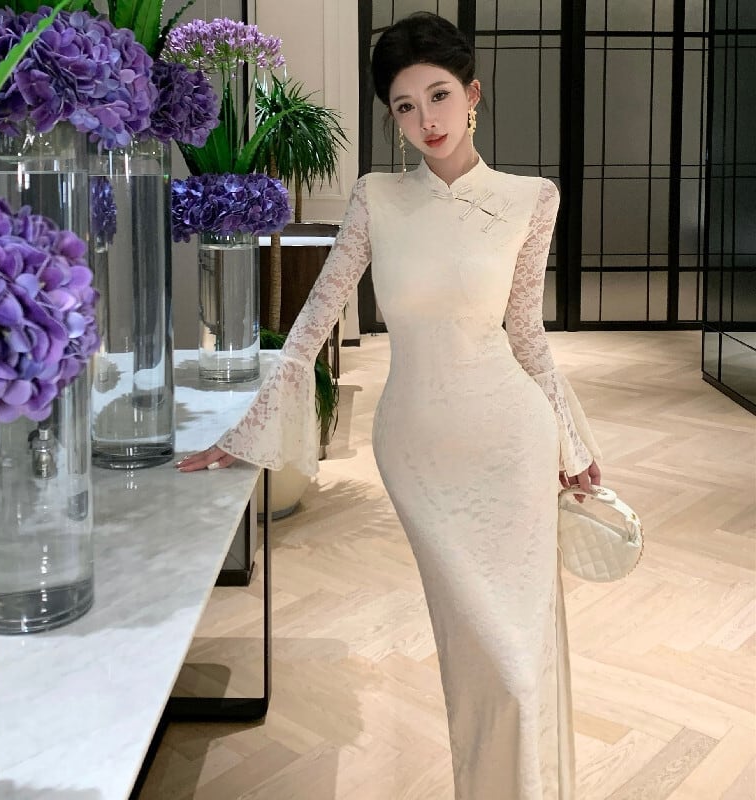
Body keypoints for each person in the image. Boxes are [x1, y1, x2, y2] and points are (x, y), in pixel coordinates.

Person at [177, 11, 602, 799]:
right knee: (478, 651)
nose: (425, 119)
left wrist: (572, 445)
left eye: (438, 95)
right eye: (404, 106)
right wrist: (246, 432)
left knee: (518, 663)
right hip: (419, 452)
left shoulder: (530, 199)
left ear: (473, 95)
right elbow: (314, 320)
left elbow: (526, 332)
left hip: (511, 442)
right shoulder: (376, 197)